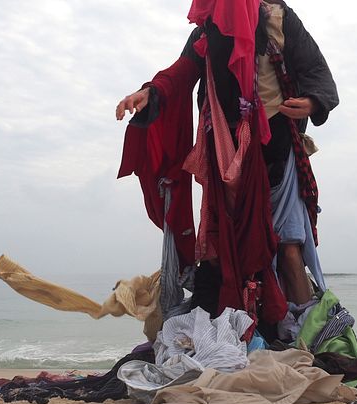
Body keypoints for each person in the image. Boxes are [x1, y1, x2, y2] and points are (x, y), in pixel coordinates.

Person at [115, 0, 338, 335]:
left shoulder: (277, 17)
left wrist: (313, 100)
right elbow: (182, 71)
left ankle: (306, 337)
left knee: (289, 247)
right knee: (224, 249)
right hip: (225, 152)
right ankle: (243, 329)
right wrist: (151, 91)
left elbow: (315, 70)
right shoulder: (208, 27)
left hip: (277, 150)